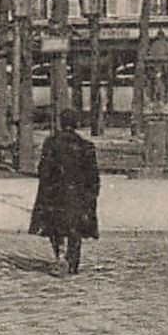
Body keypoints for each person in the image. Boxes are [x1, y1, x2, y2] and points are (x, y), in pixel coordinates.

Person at [28, 108, 101, 276]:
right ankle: (73, 261)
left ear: (61, 123)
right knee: (75, 228)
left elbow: (43, 170)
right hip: (78, 193)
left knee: (55, 226)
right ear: (76, 124)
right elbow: (93, 175)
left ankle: (59, 253)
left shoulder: (51, 143)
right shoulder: (86, 146)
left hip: (55, 193)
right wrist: (92, 194)